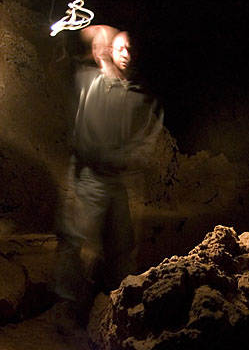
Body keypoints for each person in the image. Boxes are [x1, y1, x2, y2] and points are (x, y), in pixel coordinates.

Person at [54, 27, 163, 330]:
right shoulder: (88, 81)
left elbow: (145, 139)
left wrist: (132, 158)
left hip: (116, 184)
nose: (125, 54)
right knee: (75, 241)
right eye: (120, 48)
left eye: (130, 48)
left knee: (121, 247)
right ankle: (67, 308)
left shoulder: (139, 96)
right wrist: (93, 33)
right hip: (89, 178)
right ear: (109, 52)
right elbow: (65, 58)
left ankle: (119, 305)